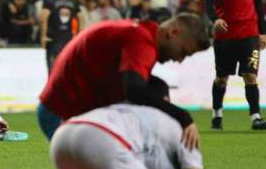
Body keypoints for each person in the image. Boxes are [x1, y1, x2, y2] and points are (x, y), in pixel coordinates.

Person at [0, 77, 215, 169]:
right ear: (165, 102)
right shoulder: (178, 128)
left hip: (66, 132)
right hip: (101, 139)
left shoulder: (124, 107)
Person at [37, 13, 211, 148]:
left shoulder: (142, 31)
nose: (180, 60)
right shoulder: (141, 40)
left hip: (66, 107)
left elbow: (137, 85)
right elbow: (134, 90)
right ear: (173, 33)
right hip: (60, 111)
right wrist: (183, 117)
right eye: (183, 52)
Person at [204, 0, 266, 130]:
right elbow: (209, 1)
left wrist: (263, 32)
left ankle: (256, 117)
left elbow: (258, 4)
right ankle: (217, 114)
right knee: (222, 78)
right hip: (225, 35)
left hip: (249, 33)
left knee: (250, 76)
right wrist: (214, 19)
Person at [39, 0, 79, 71]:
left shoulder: (49, 0)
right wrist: (77, 34)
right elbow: (80, 18)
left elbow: (43, 18)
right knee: (67, 66)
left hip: (53, 39)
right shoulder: (73, 1)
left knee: (53, 68)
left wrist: (43, 36)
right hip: (69, 39)